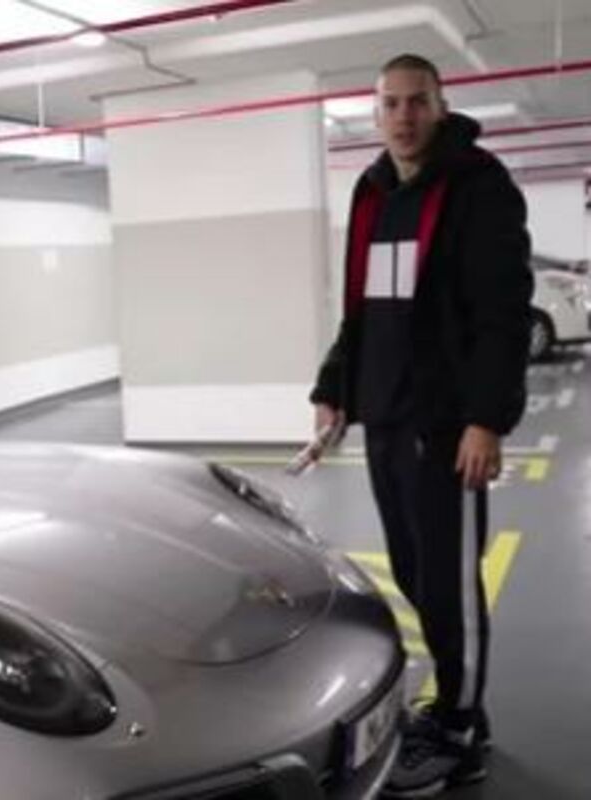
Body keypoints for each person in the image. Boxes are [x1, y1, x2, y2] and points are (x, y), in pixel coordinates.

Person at [310, 53, 532, 797]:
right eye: (390, 103)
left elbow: (502, 314)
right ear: (374, 113)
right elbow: (361, 310)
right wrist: (335, 389)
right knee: (412, 572)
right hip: (387, 421)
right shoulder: (373, 191)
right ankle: (452, 706)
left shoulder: (478, 186)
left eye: (417, 102)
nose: (403, 116)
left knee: (450, 583)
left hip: (446, 428)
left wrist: (485, 419)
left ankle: (463, 730)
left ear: (441, 106)